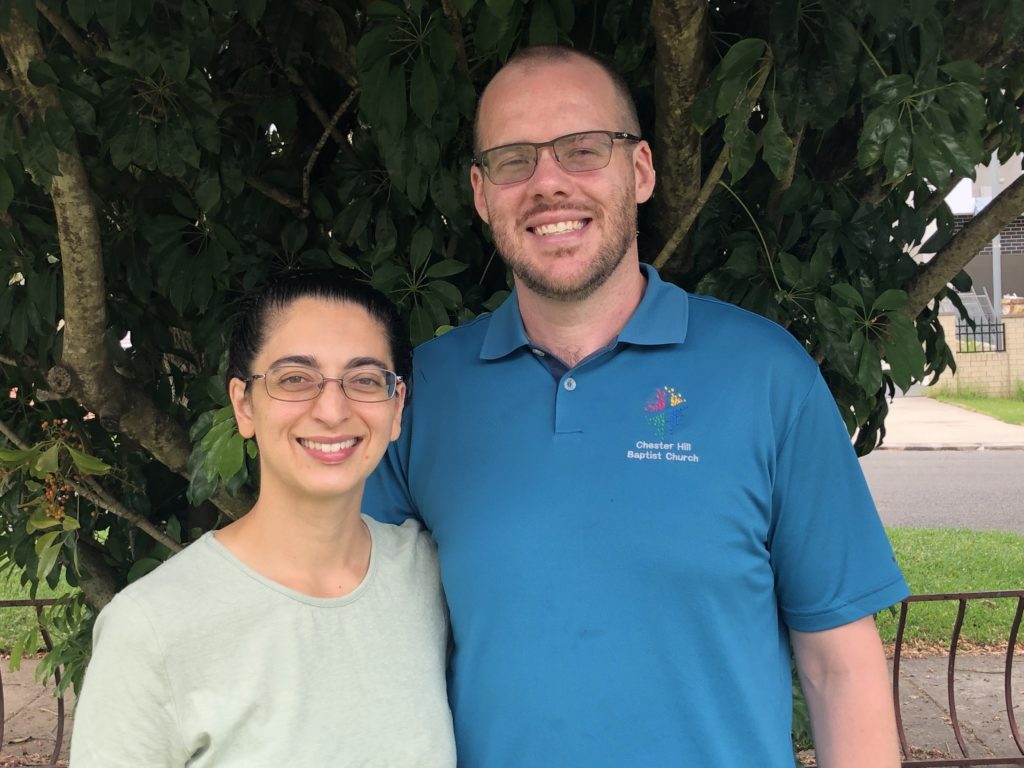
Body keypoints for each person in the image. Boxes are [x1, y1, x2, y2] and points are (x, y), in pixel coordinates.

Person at [365, 45, 908, 767]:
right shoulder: (420, 394)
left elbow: (839, 666)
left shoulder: (766, 375)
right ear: (479, 191)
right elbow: (355, 645)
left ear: (641, 170)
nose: (548, 183)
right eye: (513, 160)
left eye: (583, 149)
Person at [71, 272, 455, 767]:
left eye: (364, 380)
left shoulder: (428, 575)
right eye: (295, 378)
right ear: (243, 405)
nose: (333, 410)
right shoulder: (151, 628)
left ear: (396, 407)